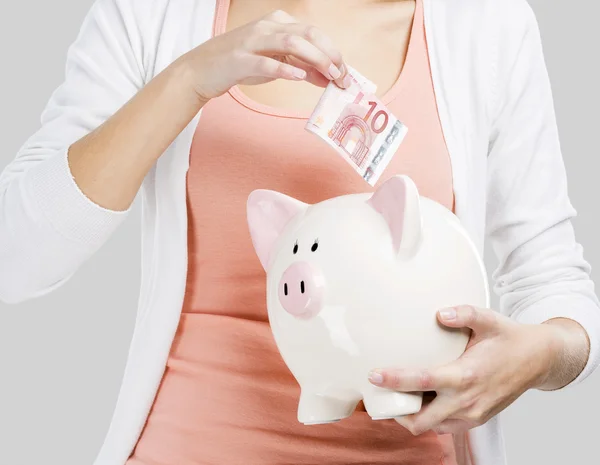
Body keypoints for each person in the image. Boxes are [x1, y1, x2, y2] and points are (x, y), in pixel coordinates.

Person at [1, 0, 599, 464]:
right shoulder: (152, 14)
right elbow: (16, 256)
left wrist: (541, 355)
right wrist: (185, 82)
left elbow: (551, 274)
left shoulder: (486, 26)